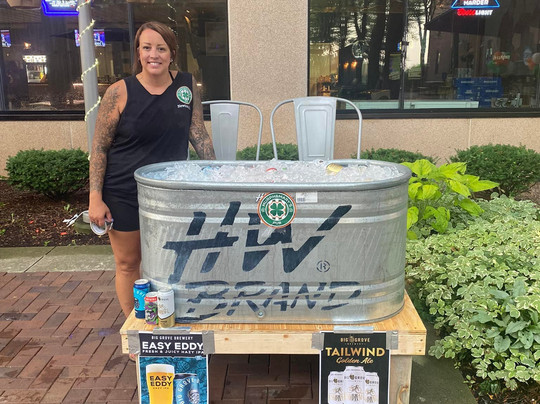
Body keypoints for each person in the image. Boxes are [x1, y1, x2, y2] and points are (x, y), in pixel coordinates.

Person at [88, 21, 215, 320]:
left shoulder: (186, 85)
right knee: (129, 264)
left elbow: (198, 133)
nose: (153, 55)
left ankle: (169, 318)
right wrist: (95, 197)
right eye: (146, 48)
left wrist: (217, 177)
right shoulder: (119, 92)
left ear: (172, 54)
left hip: (170, 193)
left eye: (161, 48)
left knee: (171, 261)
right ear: (138, 52)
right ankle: (136, 327)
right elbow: (99, 148)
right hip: (123, 191)